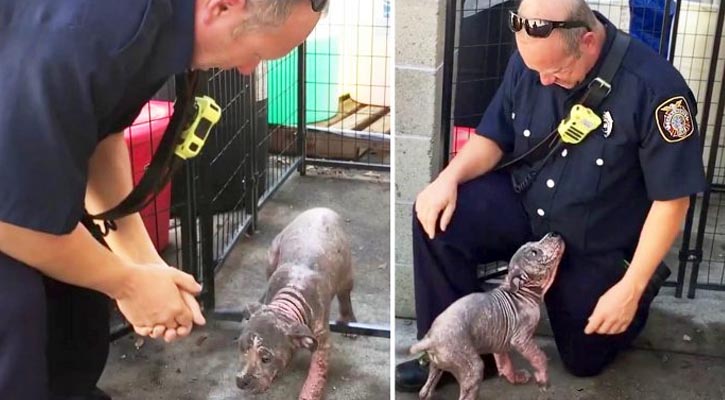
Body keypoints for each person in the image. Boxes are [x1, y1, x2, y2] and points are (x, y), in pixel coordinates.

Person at [0, 1, 326, 399]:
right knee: (16, 310)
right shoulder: (97, 32)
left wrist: (139, 260)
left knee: (78, 306)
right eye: (256, 53)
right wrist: (127, 284)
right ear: (222, 6)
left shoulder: (155, 25)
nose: (247, 70)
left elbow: (101, 136)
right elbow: (12, 222)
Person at [396, 0, 706, 392]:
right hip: (528, 206)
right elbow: (494, 136)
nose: (543, 81)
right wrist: (448, 178)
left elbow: (673, 199)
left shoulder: (658, 91)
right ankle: (455, 352)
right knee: (438, 218)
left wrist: (630, 289)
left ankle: (636, 298)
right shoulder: (532, 60)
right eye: (534, 70)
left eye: (556, 71)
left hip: (595, 239)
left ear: (588, 41)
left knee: (583, 359)